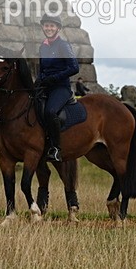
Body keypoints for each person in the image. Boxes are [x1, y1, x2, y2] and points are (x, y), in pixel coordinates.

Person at [35, 13, 79, 161]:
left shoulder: (63, 45)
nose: (49, 28)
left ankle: (55, 149)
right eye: (46, 25)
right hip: (46, 86)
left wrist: (54, 78)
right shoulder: (43, 46)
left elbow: (74, 67)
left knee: (50, 111)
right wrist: (39, 80)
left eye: (52, 25)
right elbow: (41, 68)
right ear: (43, 27)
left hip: (61, 87)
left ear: (58, 28)